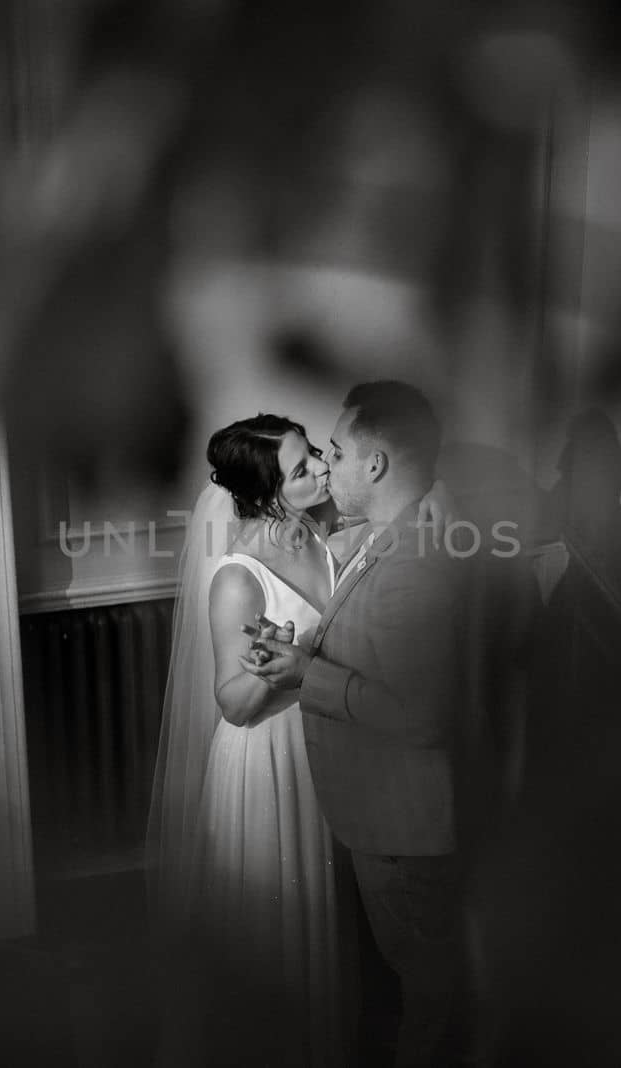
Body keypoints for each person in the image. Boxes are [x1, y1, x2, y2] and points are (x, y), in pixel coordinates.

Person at [146, 411, 454, 1066]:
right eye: (301, 467)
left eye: (315, 452)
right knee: (277, 939)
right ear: (266, 494)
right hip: (269, 760)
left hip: (328, 748)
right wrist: (276, 671)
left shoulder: (321, 535)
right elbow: (232, 704)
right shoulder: (238, 577)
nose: (319, 467)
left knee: (331, 928)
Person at [243, 381, 471, 1066]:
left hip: (404, 826)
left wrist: (298, 675)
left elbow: (418, 712)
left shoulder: (421, 560)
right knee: (412, 977)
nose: (327, 465)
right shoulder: (387, 534)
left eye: (336, 453)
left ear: (374, 466)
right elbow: (371, 643)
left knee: (433, 994)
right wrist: (301, 648)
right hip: (377, 811)